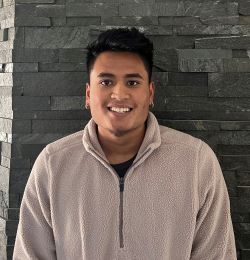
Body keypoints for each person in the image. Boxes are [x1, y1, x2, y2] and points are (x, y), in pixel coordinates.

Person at [13, 27, 237, 260]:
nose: (119, 94)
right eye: (106, 82)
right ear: (88, 95)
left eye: (132, 83)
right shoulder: (52, 164)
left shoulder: (197, 162)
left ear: (150, 94)